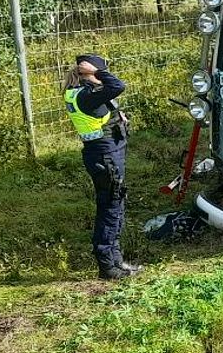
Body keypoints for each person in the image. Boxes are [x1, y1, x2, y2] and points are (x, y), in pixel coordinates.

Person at [63, 55, 141, 280]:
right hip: (104, 156)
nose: (105, 75)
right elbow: (118, 86)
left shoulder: (84, 93)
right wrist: (97, 73)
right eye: (101, 72)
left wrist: (117, 118)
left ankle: (116, 262)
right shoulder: (87, 95)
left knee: (115, 204)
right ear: (90, 74)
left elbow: (102, 111)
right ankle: (108, 266)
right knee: (109, 208)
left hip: (105, 154)